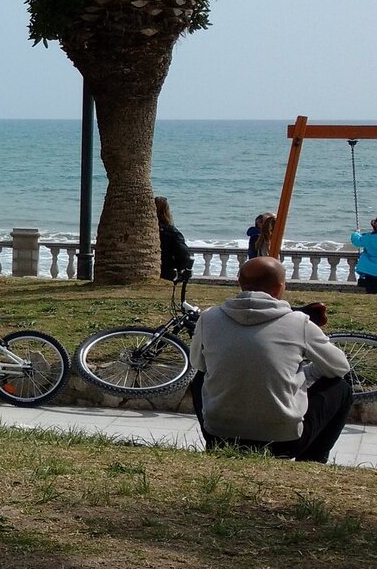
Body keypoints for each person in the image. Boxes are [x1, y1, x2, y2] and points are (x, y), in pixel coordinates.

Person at [189, 257, 352, 463]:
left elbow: (198, 364)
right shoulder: (298, 322)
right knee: (341, 388)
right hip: (283, 441)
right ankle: (313, 460)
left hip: (219, 435)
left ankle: (216, 445)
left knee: (200, 378)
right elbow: (339, 367)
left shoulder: (209, 318)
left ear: (239, 282)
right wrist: (304, 374)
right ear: (279, 288)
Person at [156, 196, 193, 281]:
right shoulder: (171, 231)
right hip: (166, 269)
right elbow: (183, 252)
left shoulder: (145, 230)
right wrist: (179, 267)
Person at [351, 217, 377, 293]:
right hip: (371, 271)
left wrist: (356, 233)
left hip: (370, 271)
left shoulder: (369, 238)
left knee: (371, 292)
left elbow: (356, 241)